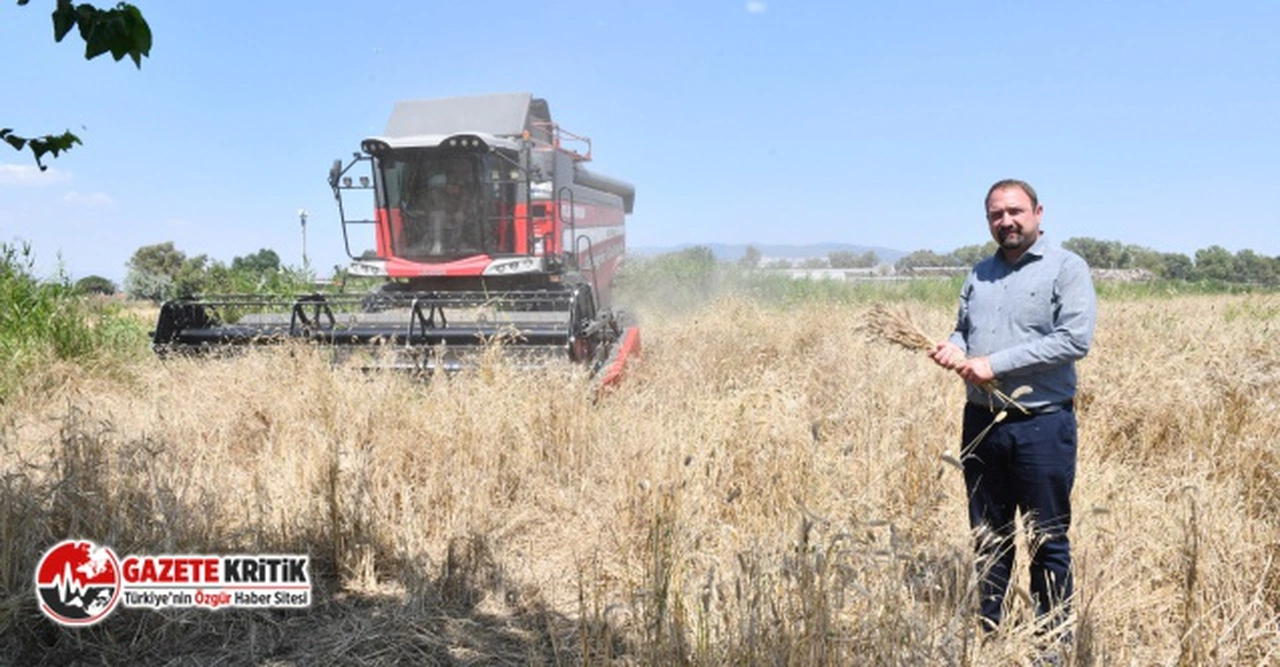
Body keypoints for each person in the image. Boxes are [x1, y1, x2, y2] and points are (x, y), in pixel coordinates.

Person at [929, 179, 1097, 636]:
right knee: (988, 537)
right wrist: (953, 347)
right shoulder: (979, 273)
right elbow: (963, 329)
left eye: (1015, 211)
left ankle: (1051, 642)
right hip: (982, 422)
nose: (1006, 221)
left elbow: (1073, 339)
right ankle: (989, 632)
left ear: (1038, 212)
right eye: (995, 215)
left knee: (1048, 541)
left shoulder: (1067, 268)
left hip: (1041, 424)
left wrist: (993, 364)